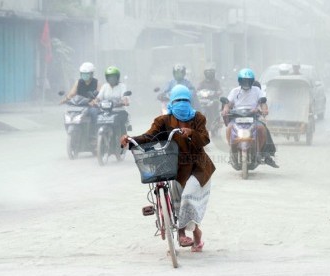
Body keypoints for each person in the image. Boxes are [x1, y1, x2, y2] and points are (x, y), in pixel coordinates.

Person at [120, 84, 215, 252]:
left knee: (188, 197)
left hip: (198, 166)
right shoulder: (163, 121)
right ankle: (190, 234)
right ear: (171, 102)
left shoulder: (198, 118)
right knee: (178, 201)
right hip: (176, 166)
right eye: (178, 100)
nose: (182, 104)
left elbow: (205, 139)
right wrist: (130, 139)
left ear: (190, 102)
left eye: (185, 100)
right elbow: (149, 136)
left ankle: (187, 234)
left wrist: (191, 133)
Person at [222, 68, 279, 168]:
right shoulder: (235, 91)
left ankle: (262, 152)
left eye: (248, 81)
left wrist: (265, 110)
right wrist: (226, 109)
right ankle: (232, 149)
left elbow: (263, 102)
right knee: (229, 128)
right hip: (237, 117)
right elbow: (228, 103)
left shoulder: (257, 90)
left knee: (262, 128)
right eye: (244, 80)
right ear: (240, 81)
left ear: (252, 81)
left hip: (253, 117)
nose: (246, 82)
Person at [60, 62, 100, 140]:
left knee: (94, 112)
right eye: (83, 74)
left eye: (87, 74)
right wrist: (65, 100)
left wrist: (95, 101)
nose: (85, 75)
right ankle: (71, 131)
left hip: (90, 106)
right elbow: (72, 94)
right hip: (78, 105)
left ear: (92, 74)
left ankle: (94, 133)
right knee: (67, 113)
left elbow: (100, 94)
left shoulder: (97, 82)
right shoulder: (78, 82)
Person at [95, 66, 130, 135]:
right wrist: (95, 101)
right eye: (109, 77)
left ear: (117, 77)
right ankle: (97, 140)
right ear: (107, 78)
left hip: (119, 111)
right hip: (106, 112)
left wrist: (124, 101)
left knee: (122, 123)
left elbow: (125, 97)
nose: (112, 79)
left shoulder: (122, 86)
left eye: (113, 77)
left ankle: (123, 141)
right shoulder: (105, 86)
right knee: (96, 121)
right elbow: (99, 97)